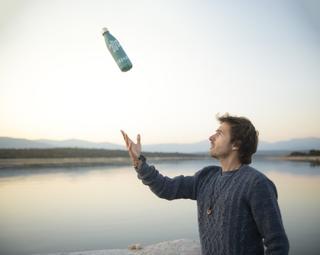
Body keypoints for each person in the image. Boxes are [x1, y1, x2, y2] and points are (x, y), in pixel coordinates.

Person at [120, 113, 289, 255]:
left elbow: (278, 245)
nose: (211, 137)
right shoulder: (206, 176)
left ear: (236, 144)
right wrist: (139, 163)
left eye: (219, 133)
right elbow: (166, 188)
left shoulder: (256, 184)